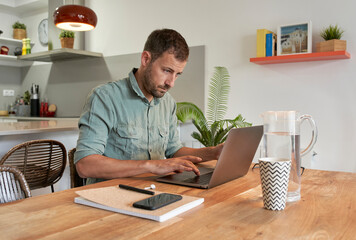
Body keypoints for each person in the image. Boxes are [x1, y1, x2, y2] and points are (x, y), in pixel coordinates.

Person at [74, 29, 223, 184]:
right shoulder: (105, 97)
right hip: (109, 197)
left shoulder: (168, 103)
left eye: (177, 74)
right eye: (167, 70)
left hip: (153, 191)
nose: (171, 83)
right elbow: (85, 165)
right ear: (146, 59)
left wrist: (214, 152)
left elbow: (174, 151)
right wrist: (151, 165)